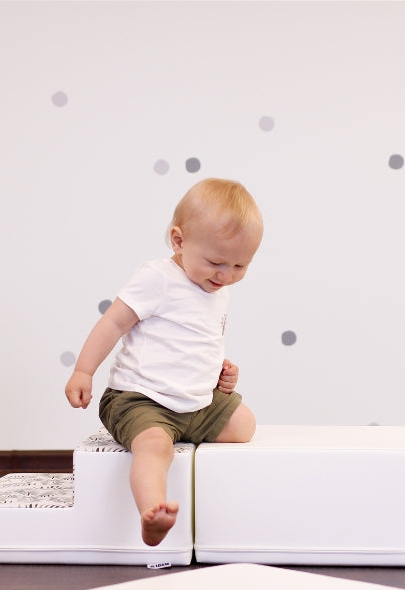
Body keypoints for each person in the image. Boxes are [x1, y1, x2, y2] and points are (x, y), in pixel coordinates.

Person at [65, 178, 263, 546]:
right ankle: (153, 511)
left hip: (193, 400)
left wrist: (221, 370)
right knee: (156, 446)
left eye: (240, 266)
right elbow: (112, 322)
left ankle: (184, 431)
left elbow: (196, 341)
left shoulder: (216, 290)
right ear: (179, 241)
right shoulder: (158, 278)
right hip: (141, 398)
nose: (226, 275)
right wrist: (83, 370)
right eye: (216, 262)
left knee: (244, 425)